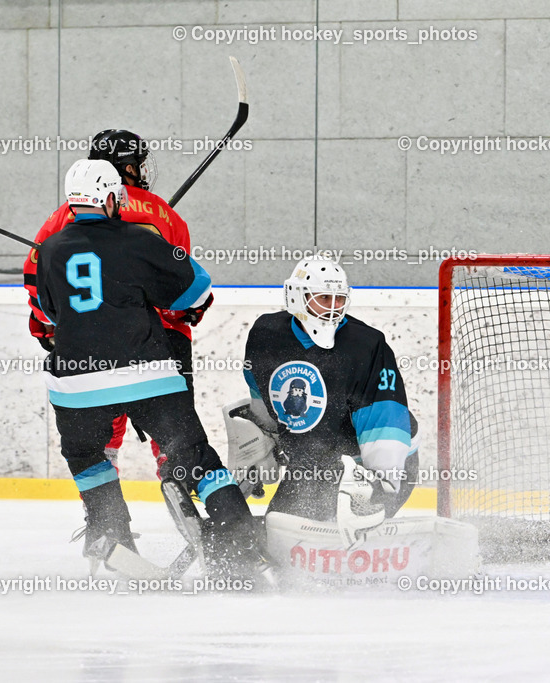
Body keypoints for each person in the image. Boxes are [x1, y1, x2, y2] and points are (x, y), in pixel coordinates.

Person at [36, 158, 256, 574]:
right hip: (146, 374)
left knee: (88, 458)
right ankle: (238, 540)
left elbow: (49, 312)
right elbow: (195, 290)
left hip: (77, 385)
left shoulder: (48, 250)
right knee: (194, 457)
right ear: (107, 198)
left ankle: (111, 533)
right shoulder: (139, 236)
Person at [23, 130, 209, 472]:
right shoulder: (164, 213)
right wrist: (188, 312)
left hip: (89, 340)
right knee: (175, 429)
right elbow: (185, 283)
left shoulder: (64, 215)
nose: (141, 172)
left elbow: (36, 279)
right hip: (161, 342)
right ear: (126, 168)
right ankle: (184, 486)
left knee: (99, 432)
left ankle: (106, 514)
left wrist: (46, 324)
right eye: (137, 165)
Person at [239, 258, 419, 523]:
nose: (334, 308)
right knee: (280, 535)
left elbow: (385, 420)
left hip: (375, 466)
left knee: (340, 548)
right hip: (314, 467)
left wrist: (379, 482)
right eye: (324, 298)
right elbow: (261, 395)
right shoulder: (266, 334)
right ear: (297, 297)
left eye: (339, 299)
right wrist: (263, 448)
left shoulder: (365, 345)